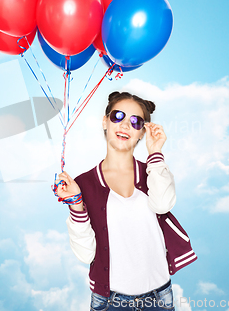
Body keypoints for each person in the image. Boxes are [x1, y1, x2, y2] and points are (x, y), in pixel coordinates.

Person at [54, 91, 196, 311]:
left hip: (158, 298)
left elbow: (163, 204)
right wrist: (76, 204)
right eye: (117, 116)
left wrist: (155, 151)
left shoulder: (153, 172)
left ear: (142, 132)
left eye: (135, 122)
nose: (125, 125)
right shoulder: (83, 184)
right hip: (110, 302)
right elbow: (86, 254)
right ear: (105, 121)